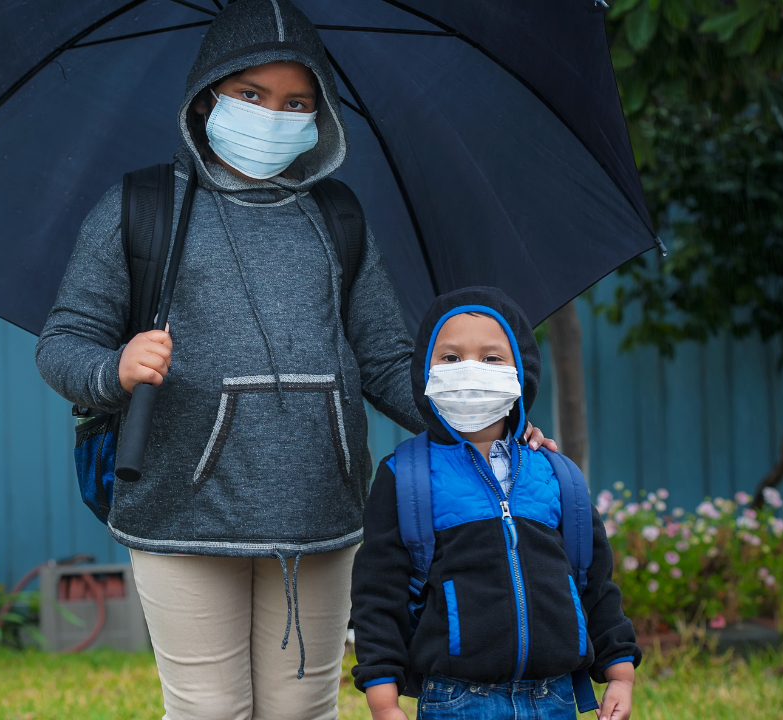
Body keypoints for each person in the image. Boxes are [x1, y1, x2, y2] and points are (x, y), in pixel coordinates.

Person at [36, 2, 552, 718]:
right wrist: (115, 369)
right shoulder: (141, 206)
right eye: (250, 94)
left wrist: (485, 426)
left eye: (295, 102)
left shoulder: (335, 215)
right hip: (180, 514)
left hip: (319, 510)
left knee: (304, 709)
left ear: (321, 117)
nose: (271, 114)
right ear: (207, 91)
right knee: (209, 710)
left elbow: (383, 359)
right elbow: (62, 343)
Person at [350, 286, 639, 720]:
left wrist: (619, 673)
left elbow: (593, 582)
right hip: (457, 700)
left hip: (554, 697)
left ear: (521, 371)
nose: (470, 370)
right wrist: (383, 698)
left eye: (491, 358)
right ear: (423, 372)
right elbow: (378, 593)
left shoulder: (555, 473)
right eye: (449, 357)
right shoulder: (404, 477)